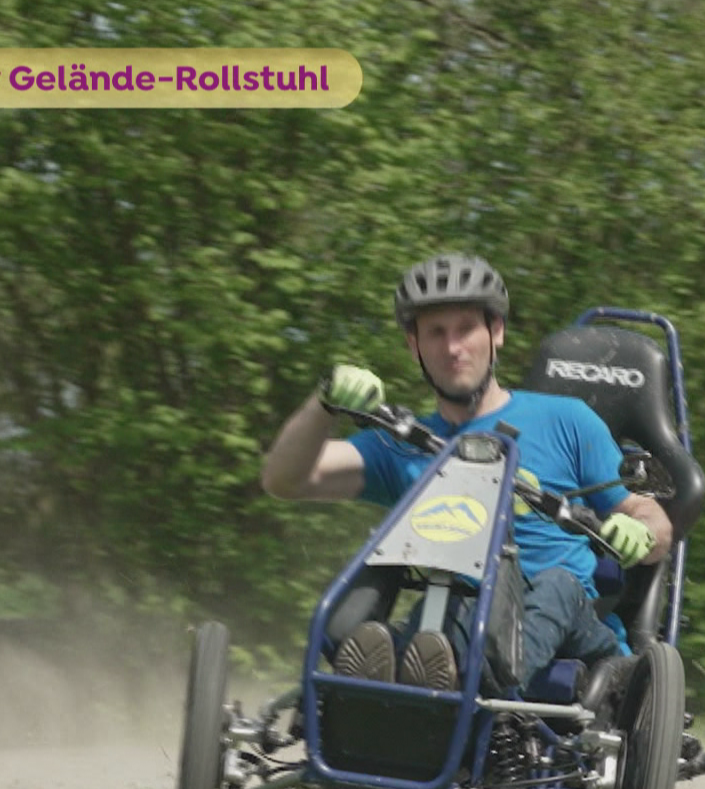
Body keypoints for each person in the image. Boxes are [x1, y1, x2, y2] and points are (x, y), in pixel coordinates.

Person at [260, 252, 673, 698]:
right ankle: (385, 685)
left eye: (465, 329)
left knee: (555, 586)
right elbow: (284, 480)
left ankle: (456, 686)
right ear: (413, 345)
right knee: (425, 601)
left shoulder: (567, 420)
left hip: (572, 625)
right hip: (460, 616)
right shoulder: (403, 442)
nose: (453, 348)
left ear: (496, 332)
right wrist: (324, 405)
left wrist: (641, 532)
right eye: (435, 333)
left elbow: (650, 516)